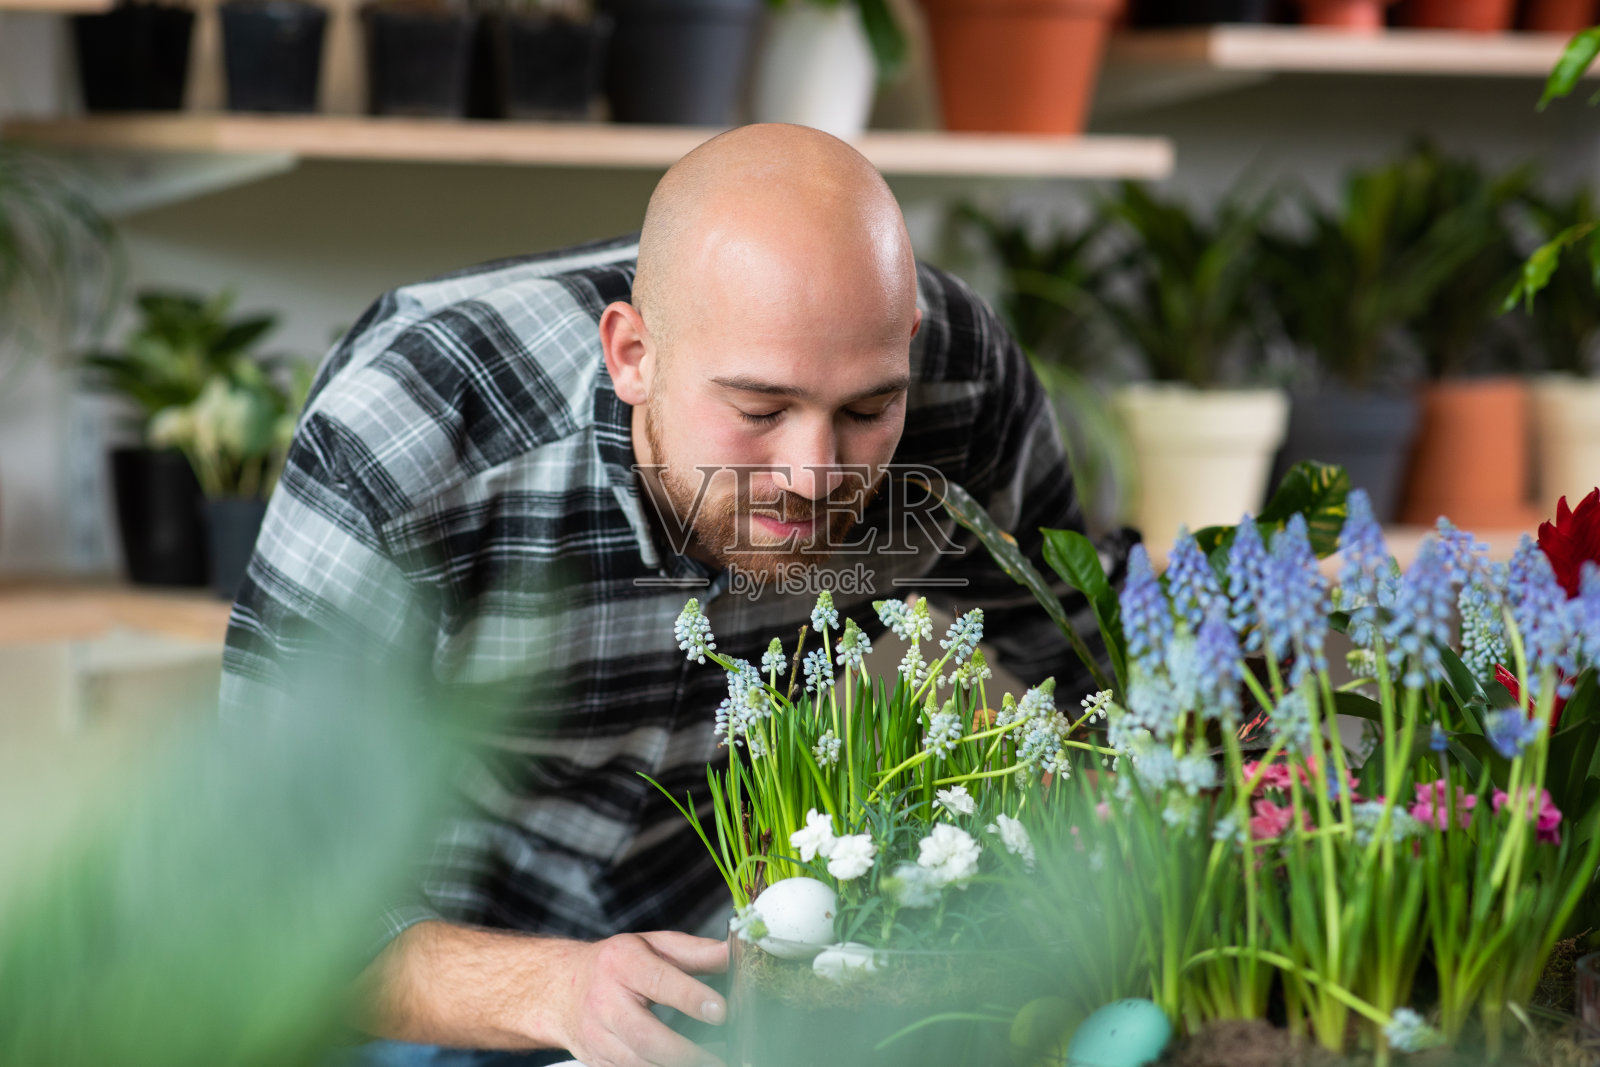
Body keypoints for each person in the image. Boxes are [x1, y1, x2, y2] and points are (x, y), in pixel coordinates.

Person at [221, 124, 1124, 1067]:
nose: (816, 475)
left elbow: (1090, 674)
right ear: (632, 354)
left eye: (865, 411)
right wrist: (559, 988)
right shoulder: (410, 439)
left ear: (908, 348)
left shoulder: (964, 383)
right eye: (759, 411)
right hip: (433, 963)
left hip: (717, 952)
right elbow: (256, 901)